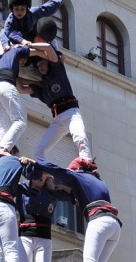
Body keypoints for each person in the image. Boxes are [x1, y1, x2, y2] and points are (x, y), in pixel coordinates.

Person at [29, 157, 121, 262]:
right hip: (114, 226)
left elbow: (59, 171)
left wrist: (36, 163)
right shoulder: (98, 181)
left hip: (98, 221)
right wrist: (66, 190)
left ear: (76, 169)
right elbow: (82, 196)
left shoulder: (79, 175)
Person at [26, 19, 92, 162]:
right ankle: (44, 171)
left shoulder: (57, 70)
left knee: (80, 138)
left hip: (71, 113)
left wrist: (29, 47)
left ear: (48, 63)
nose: (41, 68)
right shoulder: (42, 87)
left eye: (43, 64)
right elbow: (21, 87)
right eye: (39, 67)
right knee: (38, 150)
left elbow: (49, 50)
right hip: (58, 120)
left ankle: (87, 164)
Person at [0, 42, 58, 162]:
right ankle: (4, 149)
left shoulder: (0, 60)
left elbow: (19, 81)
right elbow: (36, 52)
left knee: (3, 127)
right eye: (24, 61)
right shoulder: (17, 51)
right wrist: (50, 56)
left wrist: (35, 83)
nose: (24, 64)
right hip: (6, 87)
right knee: (20, 122)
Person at [16, 170, 71, 262]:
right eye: (37, 176)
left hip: (44, 237)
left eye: (42, 177)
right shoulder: (22, 187)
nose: (38, 179)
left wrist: (57, 183)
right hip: (25, 236)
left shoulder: (52, 192)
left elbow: (73, 195)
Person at [0, 0, 66, 55]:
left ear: (27, 8)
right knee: (2, 31)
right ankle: (5, 48)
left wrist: (60, 0)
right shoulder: (10, 21)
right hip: (17, 40)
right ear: (12, 9)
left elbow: (48, 8)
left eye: (22, 9)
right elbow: (10, 34)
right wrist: (22, 41)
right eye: (16, 9)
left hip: (31, 37)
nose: (19, 12)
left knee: (46, 31)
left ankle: (56, 52)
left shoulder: (33, 13)